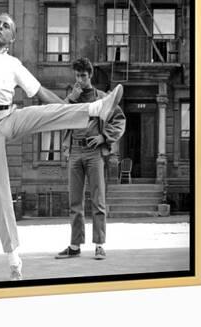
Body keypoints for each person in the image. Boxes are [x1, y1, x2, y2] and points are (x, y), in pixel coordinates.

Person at [0, 0, 123, 281]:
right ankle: (13, 256)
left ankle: (97, 108)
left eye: (6, 25)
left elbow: (42, 96)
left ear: (13, 36)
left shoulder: (14, 65)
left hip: (8, 116)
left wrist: (69, 111)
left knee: (44, 111)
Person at [55, 57, 126, 260]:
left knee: (98, 199)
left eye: (83, 76)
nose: (80, 79)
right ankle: (75, 246)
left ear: (90, 75)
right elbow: (59, 116)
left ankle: (99, 245)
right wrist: (71, 98)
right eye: (77, 75)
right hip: (75, 152)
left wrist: (104, 137)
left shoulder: (102, 97)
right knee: (74, 201)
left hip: (95, 154)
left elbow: (119, 120)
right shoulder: (72, 98)